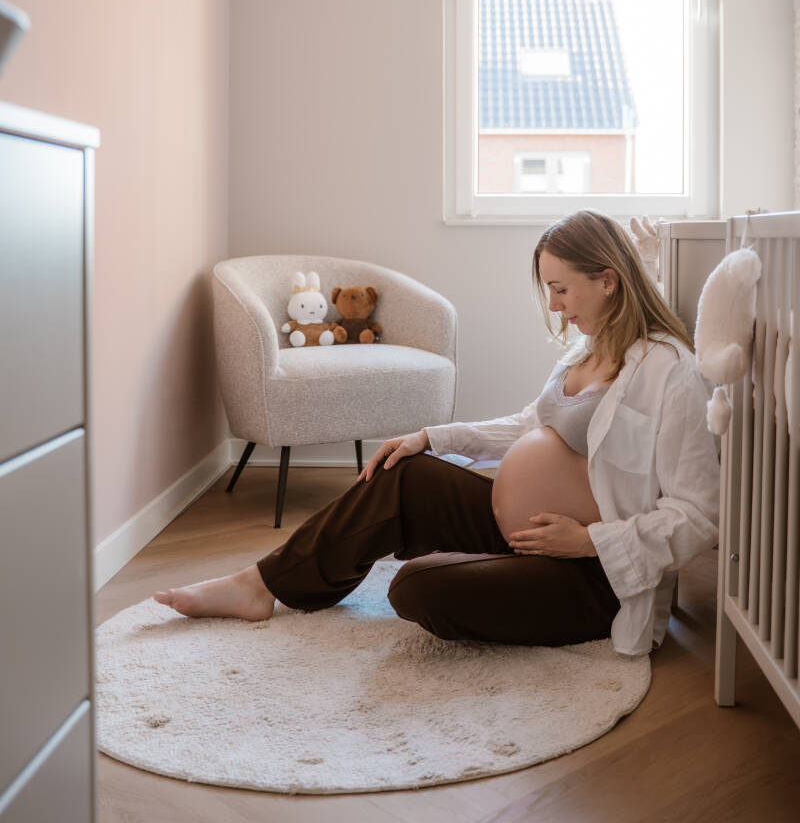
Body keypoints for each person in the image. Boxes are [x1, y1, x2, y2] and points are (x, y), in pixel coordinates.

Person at [154, 210, 720, 657]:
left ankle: (484, 574)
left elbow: (700, 514)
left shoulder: (672, 373)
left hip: (594, 573)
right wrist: (432, 437)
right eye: (548, 289)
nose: (553, 305)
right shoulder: (586, 351)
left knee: (415, 588)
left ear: (608, 281)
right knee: (404, 473)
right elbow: (530, 426)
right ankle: (261, 584)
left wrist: (589, 541)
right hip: (525, 534)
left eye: (561, 289)